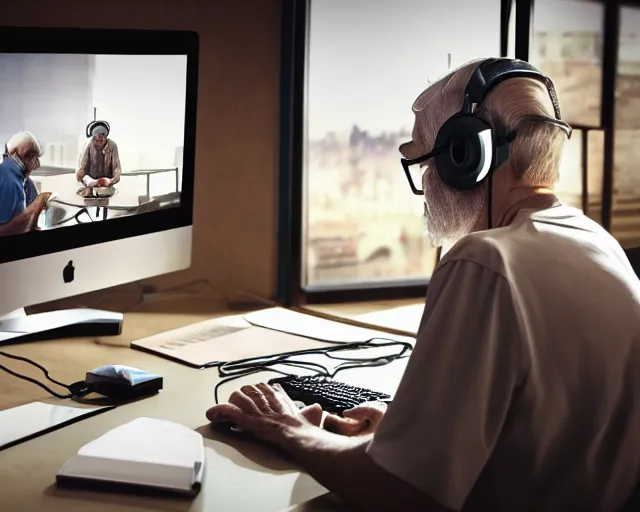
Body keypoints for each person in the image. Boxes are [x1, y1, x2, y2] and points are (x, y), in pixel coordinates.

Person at [205, 57, 640, 512]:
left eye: (424, 160)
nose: (426, 183)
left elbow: (403, 493)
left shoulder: (485, 262)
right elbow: (542, 429)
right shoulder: (598, 244)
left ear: (464, 157)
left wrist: (288, 428)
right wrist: (413, 431)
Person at [0, 132, 51, 235]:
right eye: (35, 157)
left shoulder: (19, 177)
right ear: (24, 156)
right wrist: (35, 207)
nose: (37, 165)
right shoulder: (9, 182)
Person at [76, 120, 122, 189]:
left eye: (101, 140)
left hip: (107, 185)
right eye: (97, 140)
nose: (99, 143)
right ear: (93, 137)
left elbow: (116, 167)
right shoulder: (88, 145)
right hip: (89, 184)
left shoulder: (112, 145)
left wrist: (113, 180)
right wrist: (89, 180)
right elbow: (80, 170)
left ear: (105, 137)